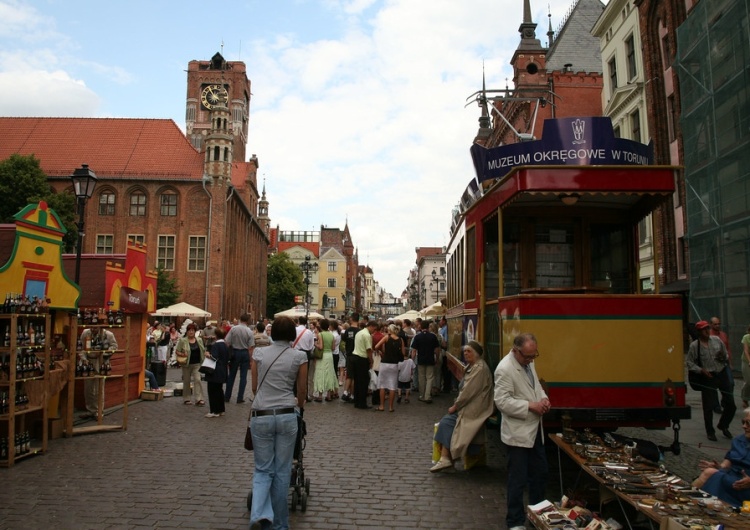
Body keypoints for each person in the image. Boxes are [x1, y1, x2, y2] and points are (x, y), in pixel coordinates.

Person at [249, 316, 307, 530]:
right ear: (292, 334)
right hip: (286, 413)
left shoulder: (259, 353)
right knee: (283, 471)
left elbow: (254, 387)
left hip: (261, 413)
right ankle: (280, 524)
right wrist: (299, 404)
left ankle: (260, 513)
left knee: (263, 469)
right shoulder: (299, 356)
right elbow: (301, 390)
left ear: (272, 333)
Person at [494, 332, 551, 530]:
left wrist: (543, 399)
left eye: (534, 355)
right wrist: (530, 406)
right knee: (517, 480)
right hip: (518, 433)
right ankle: (515, 521)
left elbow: (536, 387)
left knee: (540, 474)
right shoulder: (504, 369)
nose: (531, 359)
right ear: (516, 351)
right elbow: (502, 402)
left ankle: (538, 515)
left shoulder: (528, 362)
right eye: (527, 356)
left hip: (535, 430)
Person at [431, 340, 495, 472]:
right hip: (471, 405)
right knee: (448, 422)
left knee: (447, 422)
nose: (466, 353)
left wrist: (455, 406)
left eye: (469, 351)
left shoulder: (479, 369)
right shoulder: (473, 367)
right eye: (465, 351)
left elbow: (468, 392)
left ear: (476, 354)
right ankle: (447, 459)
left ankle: (445, 459)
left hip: (474, 408)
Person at [687, 320, 736, 441]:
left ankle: (723, 425)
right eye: (704, 329)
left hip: (721, 372)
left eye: (708, 328)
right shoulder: (695, 346)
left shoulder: (716, 340)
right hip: (708, 376)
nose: (707, 331)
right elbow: (689, 362)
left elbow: (726, 354)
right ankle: (710, 431)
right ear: (699, 332)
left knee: (731, 404)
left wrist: (723, 357)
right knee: (708, 406)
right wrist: (701, 370)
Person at [692, 407, 750, 507]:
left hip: (746, 485)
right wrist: (719, 466)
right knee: (709, 471)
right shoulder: (739, 440)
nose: (744, 426)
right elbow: (728, 461)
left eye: (748, 423)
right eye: (743, 422)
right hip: (732, 479)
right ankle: (687, 499)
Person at [78, 327, 119, 418]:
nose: (93, 330)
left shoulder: (108, 334)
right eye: (92, 328)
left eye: (96, 328)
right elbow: (81, 347)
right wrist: (84, 359)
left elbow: (114, 347)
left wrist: (102, 354)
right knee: (88, 388)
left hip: (101, 362)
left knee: (99, 388)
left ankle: (99, 411)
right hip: (88, 361)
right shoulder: (85, 333)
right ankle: (90, 410)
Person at [224, 313, 255, 404]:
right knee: (243, 376)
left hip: (235, 352)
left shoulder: (233, 329)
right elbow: (251, 347)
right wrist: (251, 360)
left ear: (240, 319)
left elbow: (227, 342)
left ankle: (227, 396)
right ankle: (240, 397)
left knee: (231, 375)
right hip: (244, 353)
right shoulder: (249, 331)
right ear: (248, 321)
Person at [374, 324, 404, 412]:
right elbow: (402, 352)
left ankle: (382, 406)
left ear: (389, 330)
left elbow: (376, 346)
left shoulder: (387, 337)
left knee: (382, 385)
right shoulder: (400, 340)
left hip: (385, 363)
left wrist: (381, 351)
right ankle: (391, 407)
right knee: (392, 386)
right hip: (394, 364)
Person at [174, 323, 206, 406]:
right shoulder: (183, 340)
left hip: (197, 364)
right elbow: (177, 351)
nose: (191, 332)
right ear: (187, 332)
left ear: (195, 331)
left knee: (198, 380)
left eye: (192, 330)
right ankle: (187, 398)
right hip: (186, 364)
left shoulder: (199, 340)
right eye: (189, 330)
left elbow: (202, 350)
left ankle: (199, 399)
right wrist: (182, 354)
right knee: (187, 381)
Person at [410, 320, 440, 404]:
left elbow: (414, 350)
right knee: (430, 378)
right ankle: (428, 396)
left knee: (421, 378)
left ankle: (422, 395)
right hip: (430, 359)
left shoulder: (417, 337)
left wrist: (412, 360)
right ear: (428, 327)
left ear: (421, 326)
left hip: (421, 360)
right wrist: (437, 358)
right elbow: (437, 349)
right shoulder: (433, 336)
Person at [204, 327, 230, 418]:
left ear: (216, 336)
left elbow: (214, 357)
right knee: (219, 391)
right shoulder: (225, 345)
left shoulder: (216, 345)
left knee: (212, 391)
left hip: (215, 371)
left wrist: (208, 355)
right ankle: (221, 409)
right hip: (223, 370)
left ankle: (214, 410)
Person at [352, 320, 378, 409]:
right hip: (362, 359)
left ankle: (357, 401)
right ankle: (362, 403)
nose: (374, 331)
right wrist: (371, 361)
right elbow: (368, 350)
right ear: (370, 326)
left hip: (355, 357)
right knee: (363, 382)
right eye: (374, 329)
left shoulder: (359, 333)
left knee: (357, 381)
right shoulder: (367, 335)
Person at [711, 316, 733, 413]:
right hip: (713, 364)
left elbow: (728, 348)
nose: (717, 325)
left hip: (724, 362)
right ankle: (716, 406)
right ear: (711, 325)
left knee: (730, 383)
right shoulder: (709, 335)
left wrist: (730, 363)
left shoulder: (723, 335)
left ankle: (725, 401)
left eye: (719, 324)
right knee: (713, 385)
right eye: (715, 324)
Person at [313, 319, 338, 402]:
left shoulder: (320, 334)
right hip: (330, 355)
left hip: (322, 356)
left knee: (321, 373)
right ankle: (329, 395)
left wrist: (315, 344)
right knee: (330, 374)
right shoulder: (332, 335)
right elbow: (333, 348)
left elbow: (321, 347)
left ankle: (320, 396)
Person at [293, 316, 315, 401]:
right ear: (306, 323)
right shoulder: (309, 332)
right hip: (306, 353)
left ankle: (295, 394)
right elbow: (311, 345)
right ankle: (304, 395)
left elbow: (291, 342)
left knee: (294, 373)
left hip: (295, 352)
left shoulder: (295, 330)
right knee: (304, 375)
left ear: (298, 321)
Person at [742, 325, 750, 408]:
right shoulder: (746, 337)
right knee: (748, 381)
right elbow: (746, 350)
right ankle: (745, 398)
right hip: (746, 361)